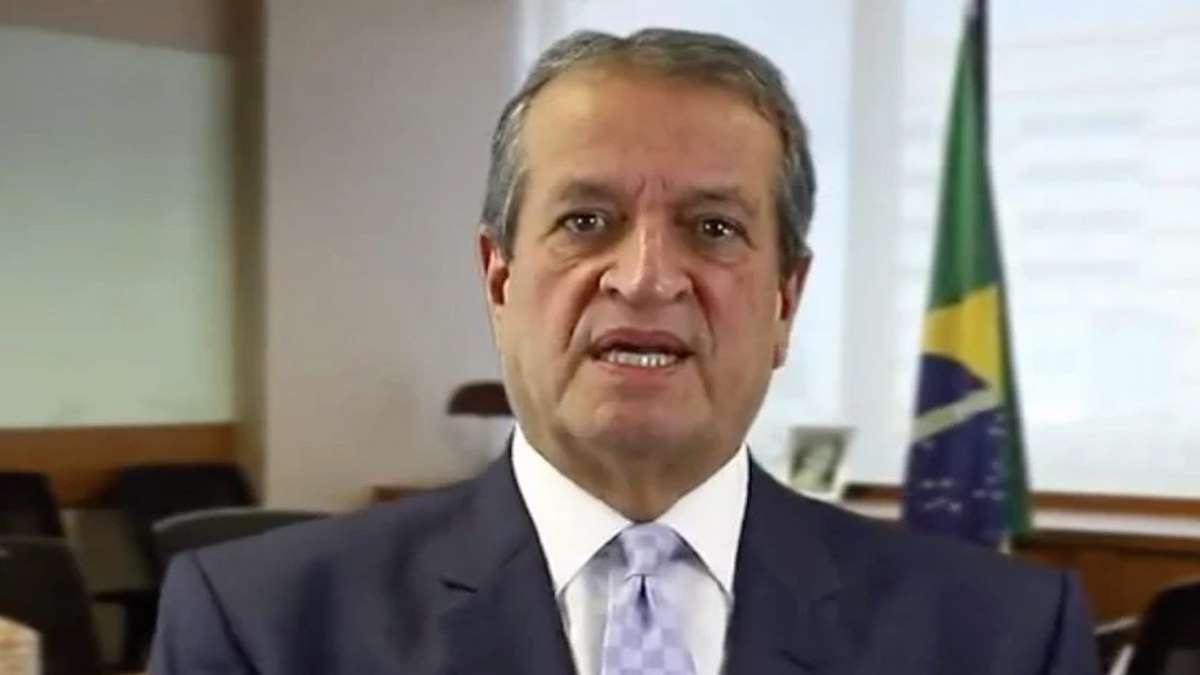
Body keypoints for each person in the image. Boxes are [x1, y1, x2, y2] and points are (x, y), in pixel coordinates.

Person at [149, 28, 1100, 675]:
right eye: (586, 220)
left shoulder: (1001, 638)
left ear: (785, 300)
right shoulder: (264, 624)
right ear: (498, 280)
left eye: (714, 228)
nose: (646, 278)